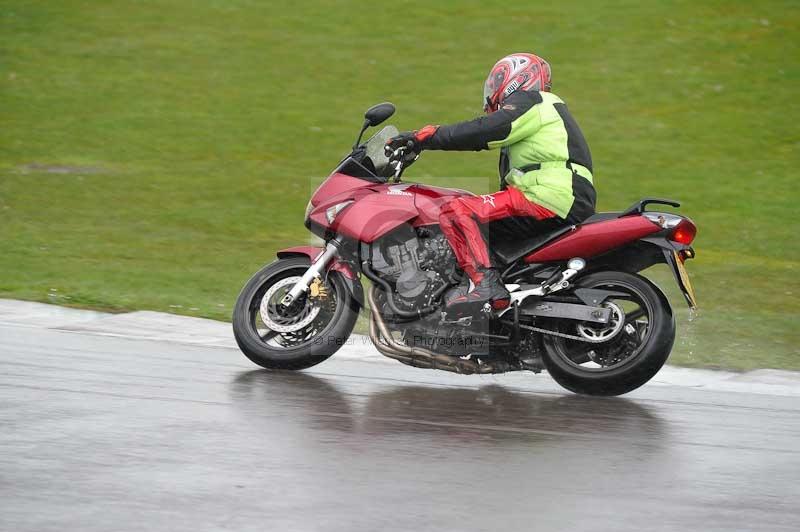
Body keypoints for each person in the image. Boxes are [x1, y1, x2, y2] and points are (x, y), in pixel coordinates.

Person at [385, 53, 596, 314]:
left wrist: (426, 137)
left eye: (497, 81)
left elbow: (484, 130)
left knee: (457, 210)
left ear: (518, 77)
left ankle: (486, 285)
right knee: (479, 227)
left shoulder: (533, 101)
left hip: (550, 195)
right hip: (558, 196)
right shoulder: (538, 115)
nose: (492, 90)